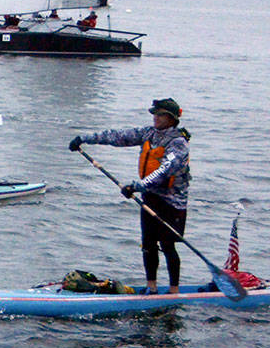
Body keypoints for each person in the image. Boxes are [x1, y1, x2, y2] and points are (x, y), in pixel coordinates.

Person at [69, 98, 190, 294]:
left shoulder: (178, 143)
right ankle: (151, 287)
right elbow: (118, 136)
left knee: (167, 246)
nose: (155, 118)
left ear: (171, 118)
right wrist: (84, 139)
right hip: (150, 197)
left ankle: (173, 290)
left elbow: (165, 170)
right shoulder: (148, 134)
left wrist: (138, 186)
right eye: (154, 114)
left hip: (172, 202)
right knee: (148, 243)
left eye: (159, 115)